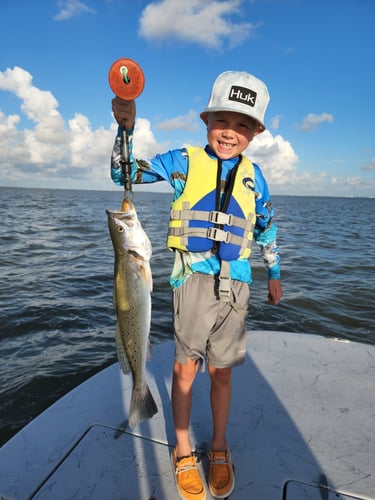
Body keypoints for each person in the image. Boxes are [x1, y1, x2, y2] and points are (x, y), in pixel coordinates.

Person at [111, 70, 283, 500]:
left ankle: (219, 446)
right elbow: (125, 174)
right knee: (185, 370)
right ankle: (184, 449)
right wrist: (124, 129)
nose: (230, 133)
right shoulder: (184, 161)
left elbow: (265, 226)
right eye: (222, 120)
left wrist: (274, 272)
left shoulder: (255, 176)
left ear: (256, 132)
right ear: (206, 120)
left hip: (237, 285)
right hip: (191, 281)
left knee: (222, 373)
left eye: (243, 124)